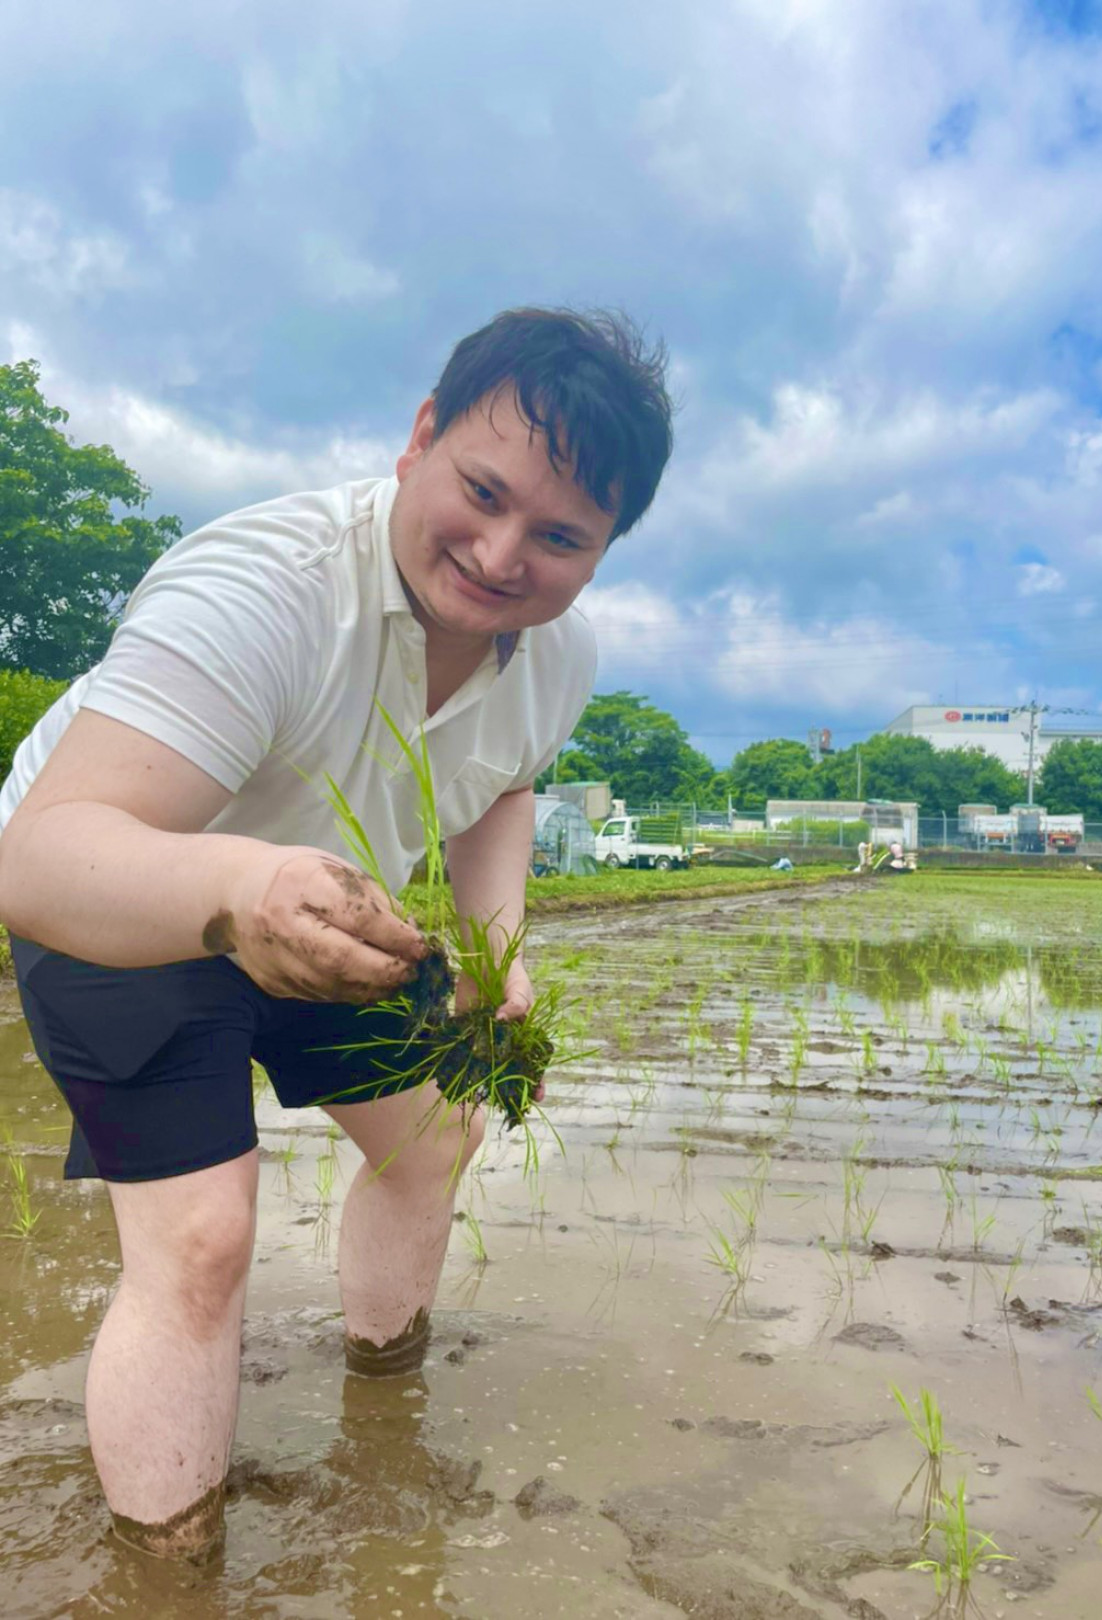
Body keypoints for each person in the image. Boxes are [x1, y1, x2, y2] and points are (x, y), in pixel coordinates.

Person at [0, 307, 674, 1560]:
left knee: (436, 1134)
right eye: (481, 490)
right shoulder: (266, 585)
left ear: (603, 550)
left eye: (560, 536)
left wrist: (494, 944)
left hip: (326, 909)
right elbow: (37, 857)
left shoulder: (557, 659)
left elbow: (505, 784)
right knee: (201, 1238)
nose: (498, 551)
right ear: (420, 437)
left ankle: (382, 1394)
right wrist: (234, 894)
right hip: (127, 889)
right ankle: (168, 1571)